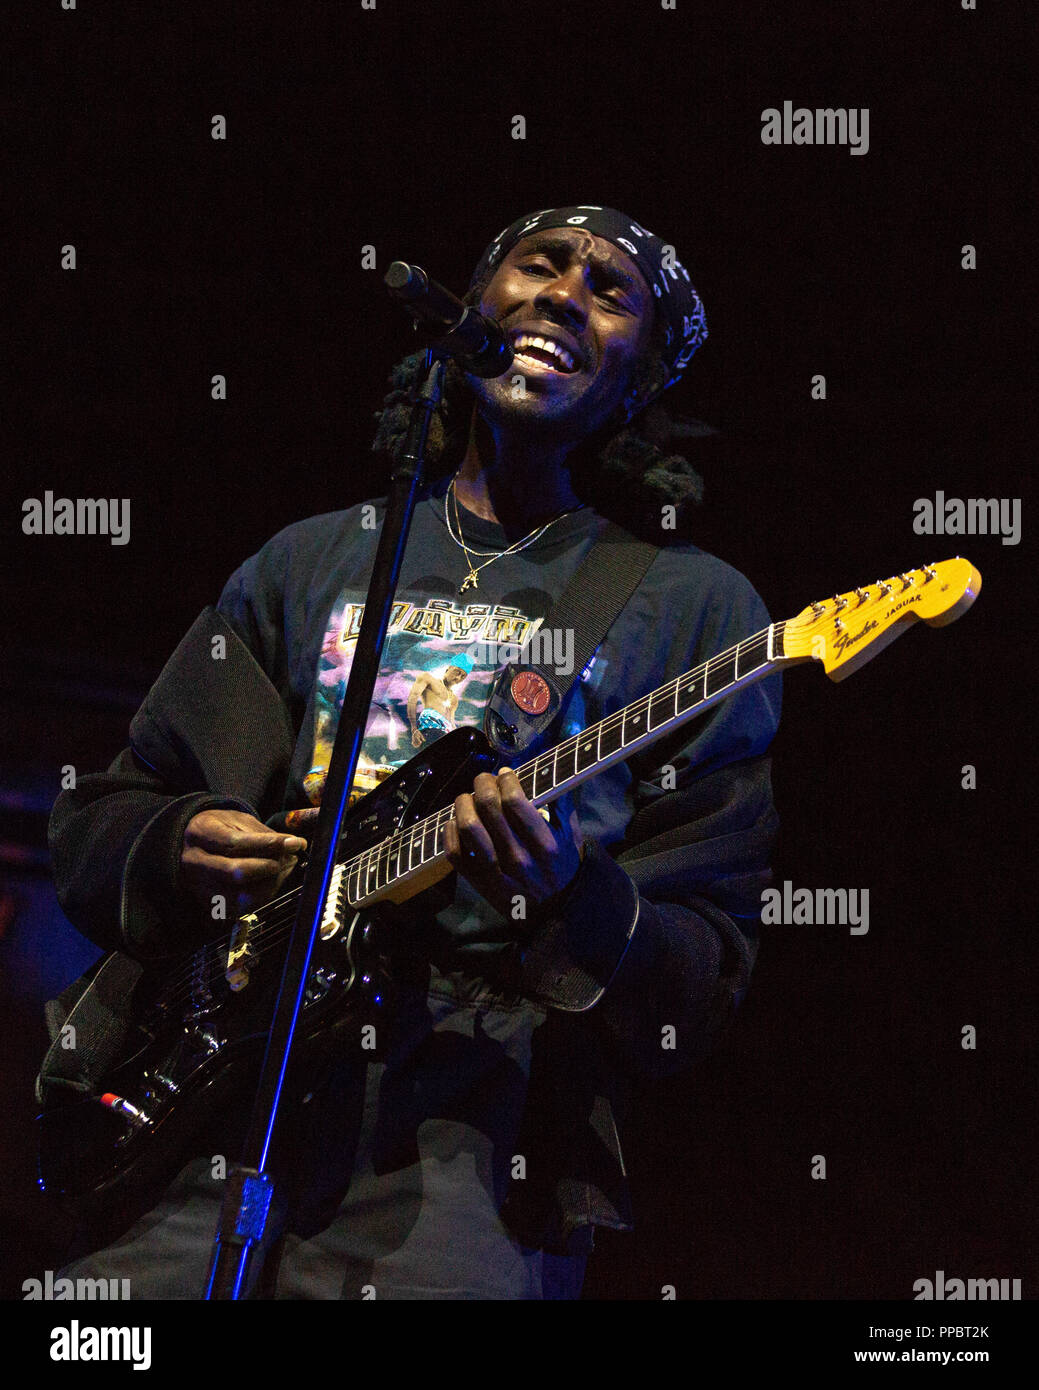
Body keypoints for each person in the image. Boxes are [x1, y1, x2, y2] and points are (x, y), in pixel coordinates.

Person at [46, 205, 782, 1300]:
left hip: (472, 1125)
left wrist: (565, 892)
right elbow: (102, 815)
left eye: (611, 291)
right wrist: (180, 839)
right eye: (540, 265)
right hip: (224, 1090)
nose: (565, 295)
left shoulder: (691, 607)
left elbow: (703, 969)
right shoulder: (310, 559)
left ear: (639, 384)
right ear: (474, 309)